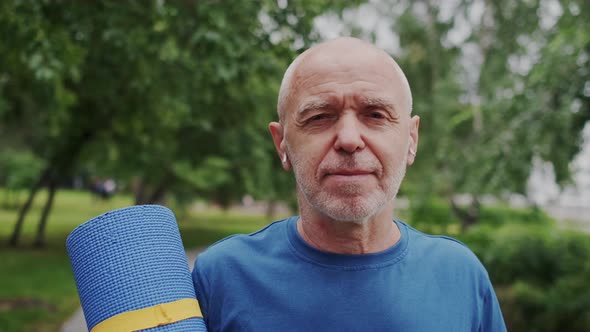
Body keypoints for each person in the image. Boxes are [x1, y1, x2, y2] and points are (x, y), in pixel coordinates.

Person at [192, 37, 507, 331]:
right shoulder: (223, 276)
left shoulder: (460, 276)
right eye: (319, 116)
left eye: (375, 114)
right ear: (282, 144)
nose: (349, 139)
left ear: (411, 139)